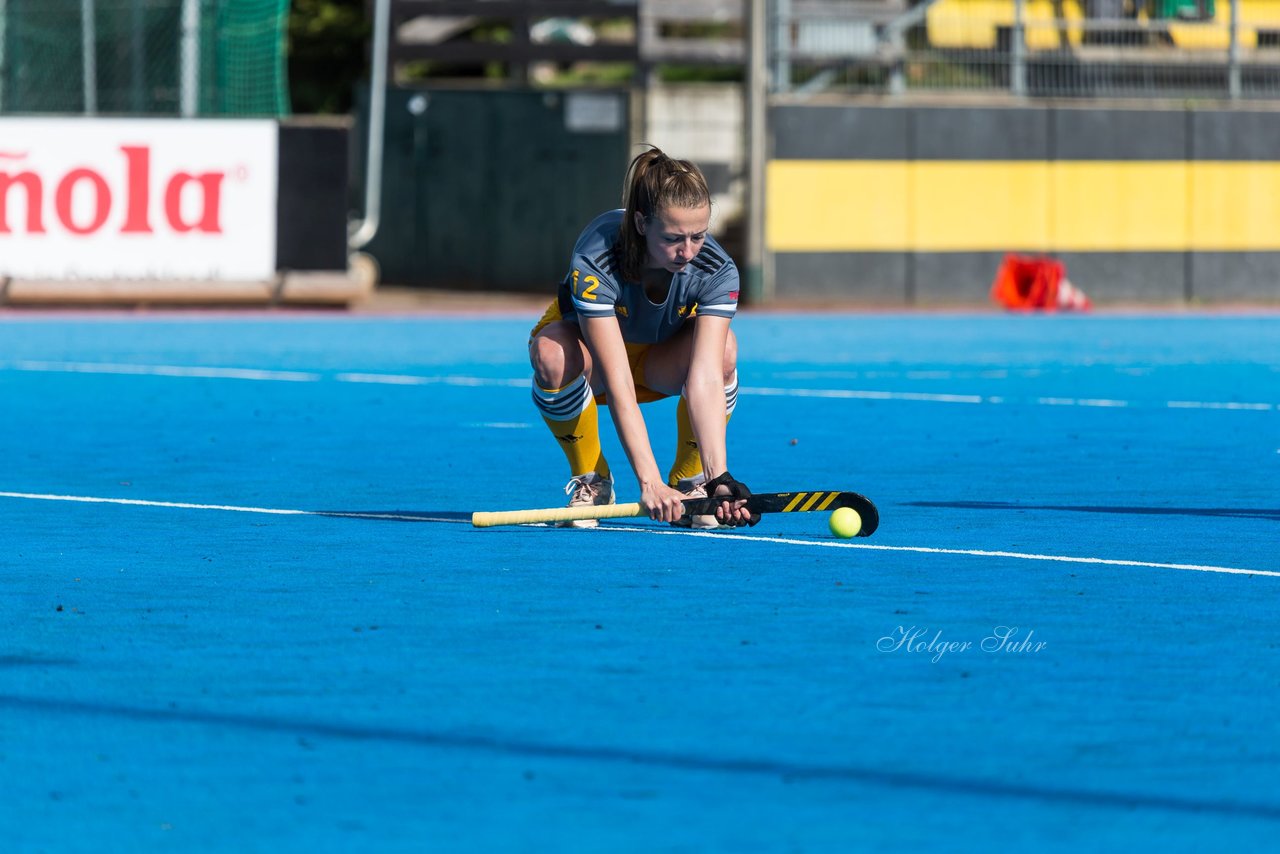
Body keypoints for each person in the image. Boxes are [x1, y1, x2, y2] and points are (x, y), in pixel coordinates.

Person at [528, 146, 758, 529]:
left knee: (724, 353)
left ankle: (691, 482)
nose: (687, 252)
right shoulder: (598, 256)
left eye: (698, 236)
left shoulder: (717, 270)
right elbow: (618, 383)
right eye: (673, 238)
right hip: (595, 367)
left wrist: (720, 477)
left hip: (658, 359)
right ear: (640, 223)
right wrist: (648, 482)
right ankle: (593, 481)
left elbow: (703, 377)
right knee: (551, 353)